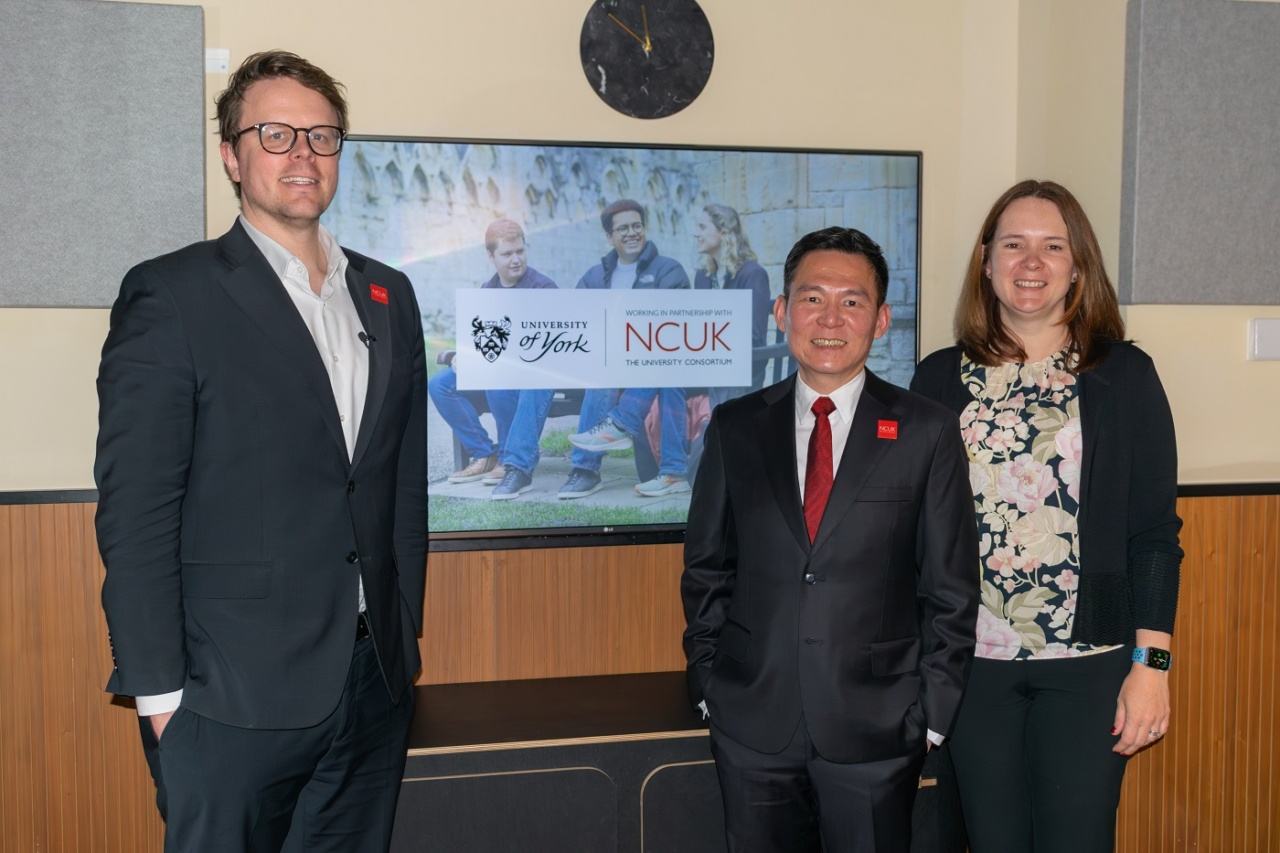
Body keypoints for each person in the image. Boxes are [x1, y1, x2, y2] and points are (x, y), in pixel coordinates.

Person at [94, 51, 427, 851]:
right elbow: (136, 511)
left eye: (321, 135)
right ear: (231, 156)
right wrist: (162, 702)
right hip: (225, 699)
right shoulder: (172, 294)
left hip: (370, 685)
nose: (302, 154)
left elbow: (397, 484)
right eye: (275, 133)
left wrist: (402, 641)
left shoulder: (388, 293)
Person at [681, 226, 979, 851]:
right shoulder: (735, 427)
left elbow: (950, 588)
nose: (831, 318)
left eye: (853, 301)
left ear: (882, 320)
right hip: (752, 722)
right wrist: (710, 684)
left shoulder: (926, 430)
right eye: (812, 298)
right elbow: (708, 567)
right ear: (782, 311)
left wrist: (930, 717)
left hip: (878, 728)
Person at [910, 180, 1182, 853]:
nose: (1031, 263)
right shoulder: (938, 379)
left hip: (1089, 664)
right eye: (1014, 244)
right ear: (986, 260)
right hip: (971, 667)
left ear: (1078, 265)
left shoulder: (1125, 376)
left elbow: (1154, 535)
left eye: (1052, 246)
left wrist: (1152, 668)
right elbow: (911, 533)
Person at [561, 198, 691, 499]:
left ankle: (618, 426)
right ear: (609, 236)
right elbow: (575, 317)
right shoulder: (595, 276)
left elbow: (674, 323)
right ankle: (587, 471)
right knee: (605, 368)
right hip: (613, 363)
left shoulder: (668, 269)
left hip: (662, 358)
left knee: (664, 367)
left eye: (637, 226)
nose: (632, 233)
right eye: (623, 228)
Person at [426, 218, 558, 499]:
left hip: (527, 376)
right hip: (495, 369)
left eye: (520, 251)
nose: (515, 260)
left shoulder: (543, 289)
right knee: (440, 384)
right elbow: (480, 337)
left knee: (496, 373)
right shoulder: (487, 291)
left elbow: (549, 348)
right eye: (507, 254)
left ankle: (514, 459)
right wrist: (464, 354)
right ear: (491, 256)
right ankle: (486, 454)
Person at [693, 203, 773, 402]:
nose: (696, 234)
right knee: (662, 384)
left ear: (723, 232)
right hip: (706, 369)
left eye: (702, 227)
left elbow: (754, 338)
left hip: (740, 374)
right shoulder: (703, 277)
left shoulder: (752, 275)